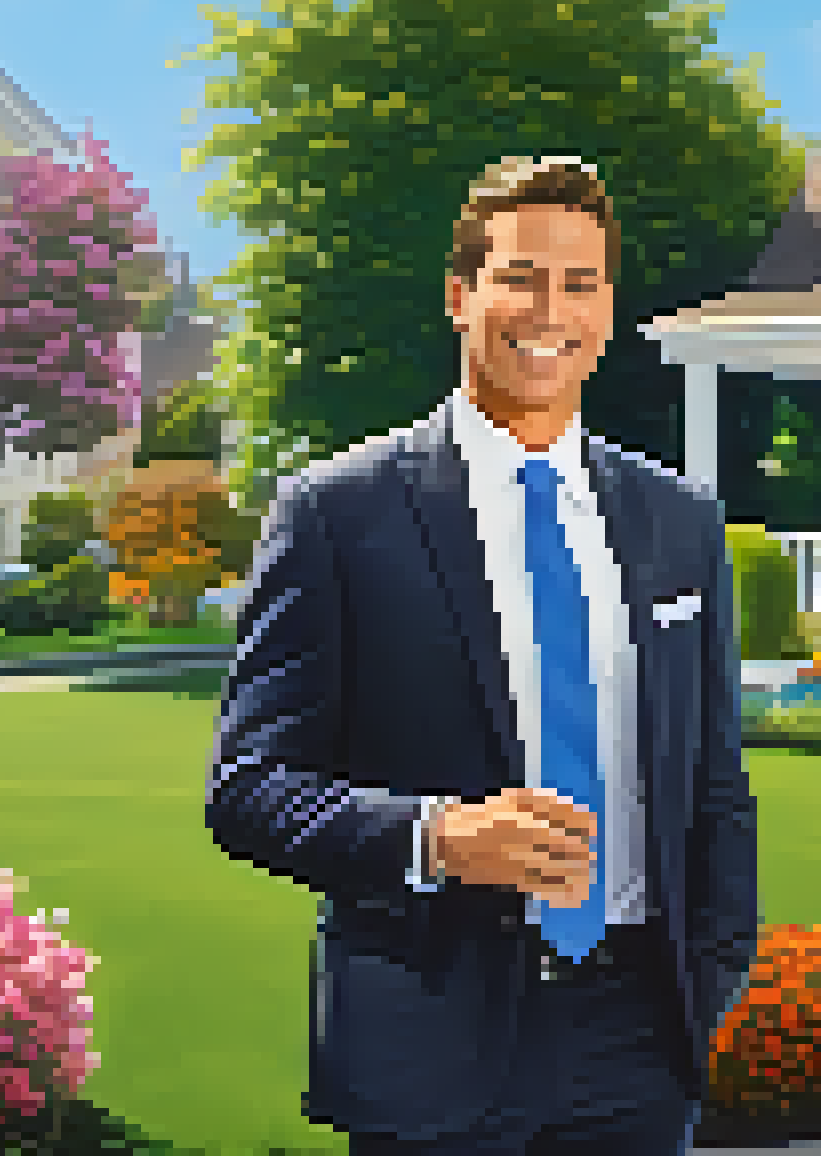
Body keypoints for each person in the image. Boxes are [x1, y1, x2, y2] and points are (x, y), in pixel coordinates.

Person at [206, 154, 759, 1154]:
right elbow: (247, 789)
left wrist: (707, 980)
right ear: (462, 295)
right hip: (430, 1045)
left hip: (638, 1044)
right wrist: (436, 837)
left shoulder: (679, 522)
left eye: (580, 283)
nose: (552, 309)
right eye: (521, 277)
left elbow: (714, 784)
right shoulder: (338, 514)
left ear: (606, 308)